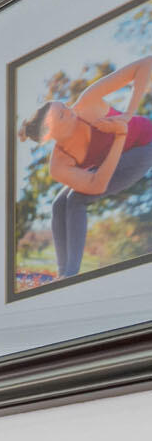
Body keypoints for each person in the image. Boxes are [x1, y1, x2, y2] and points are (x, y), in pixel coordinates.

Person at [23, 56, 152, 283]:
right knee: (58, 203)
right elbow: (97, 183)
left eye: (63, 105)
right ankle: (63, 274)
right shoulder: (59, 164)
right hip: (115, 155)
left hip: (144, 146)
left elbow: (146, 64)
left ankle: (70, 275)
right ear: (48, 136)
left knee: (76, 199)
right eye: (63, 114)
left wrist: (127, 116)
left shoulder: (88, 102)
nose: (70, 110)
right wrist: (119, 136)